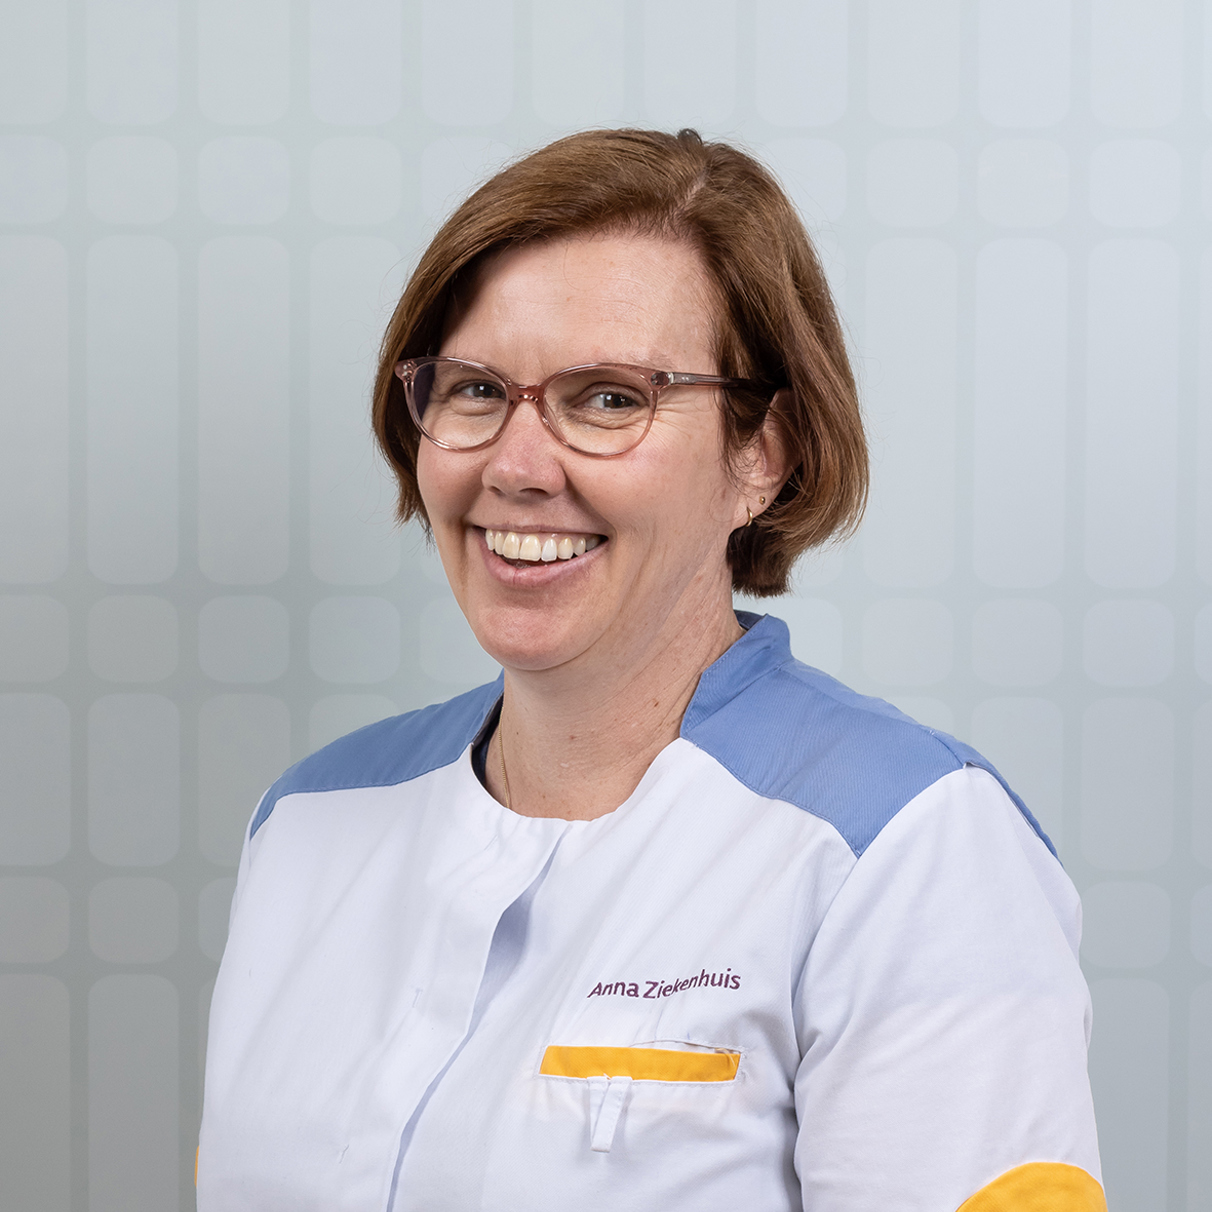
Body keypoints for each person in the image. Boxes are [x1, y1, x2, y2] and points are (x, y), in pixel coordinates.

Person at [197, 129, 1103, 1211]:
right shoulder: (307, 823)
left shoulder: (905, 850)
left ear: (761, 453)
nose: (516, 467)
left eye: (610, 399)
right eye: (475, 389)